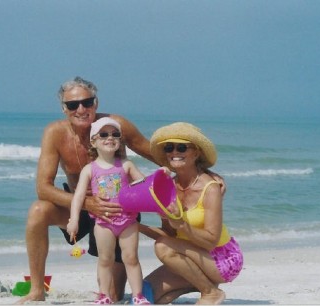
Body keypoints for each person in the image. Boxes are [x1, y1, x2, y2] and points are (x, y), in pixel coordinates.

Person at [17, 77, 155, 304]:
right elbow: (43, 187)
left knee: (115, 296)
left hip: (115, 211)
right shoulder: (55, 133)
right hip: (78, 207)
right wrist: (86, 204)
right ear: (64, 109)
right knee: (37, 210)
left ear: (96, 103)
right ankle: (36, 290)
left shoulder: (114, 126)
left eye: (86, 102)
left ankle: (143, 288)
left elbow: (156, 154)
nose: (81, 109)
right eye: (72, 105)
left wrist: (204, 174)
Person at [139, 122, 243, 305]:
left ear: (196, 153)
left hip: (221, 259)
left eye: (181, 147)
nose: (174, 152)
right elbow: (170, 235)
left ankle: (210, 291)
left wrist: (182, 225)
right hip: (190, 255)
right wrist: (136, 226)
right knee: (145, 293)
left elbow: (211, 240)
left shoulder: (210, 188)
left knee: (162, 247)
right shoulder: (167, 187)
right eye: (169, 148)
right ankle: (198, 283)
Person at [67, 117, 150, 305]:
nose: (110, 138)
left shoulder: (126, 165)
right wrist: (73, 220)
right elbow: (79, 196)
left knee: (131, 258)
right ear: (93, 141)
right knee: (106, 259)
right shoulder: (90, 169)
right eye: (103, 134)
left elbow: (144, 186)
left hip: (128, 220)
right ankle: (104, 295)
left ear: (120, 140)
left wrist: (161, 177)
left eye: (115, 134)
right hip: (103, 222)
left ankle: (138, 295)